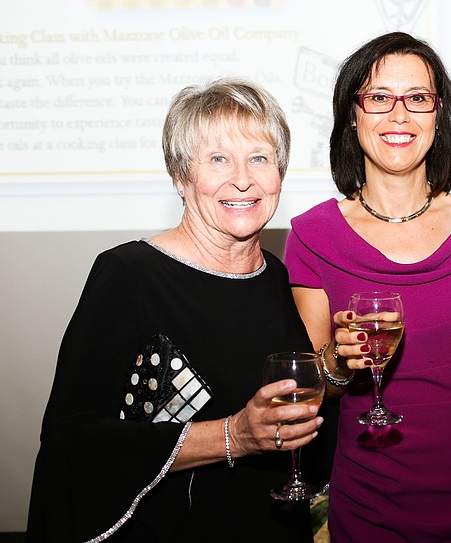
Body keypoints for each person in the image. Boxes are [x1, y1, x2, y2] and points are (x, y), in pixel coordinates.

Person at [27, 78, 322, 541]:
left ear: (280, 172)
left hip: (265, 523)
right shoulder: (128, 274)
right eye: (218, 158)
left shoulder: (275, 276)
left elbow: (290, 406)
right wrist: (234, 435)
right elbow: (73, 439)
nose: (243, 179)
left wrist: (343, 368)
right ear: (181, 176)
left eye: (259, 158)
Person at [284, 31, 451, 542]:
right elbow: (308, 391)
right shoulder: (312, 235)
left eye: (418, 98)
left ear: (440, 116)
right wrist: (338, 360)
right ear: (353, 114)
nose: (399, 115)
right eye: (379, 98)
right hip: (368, 508)